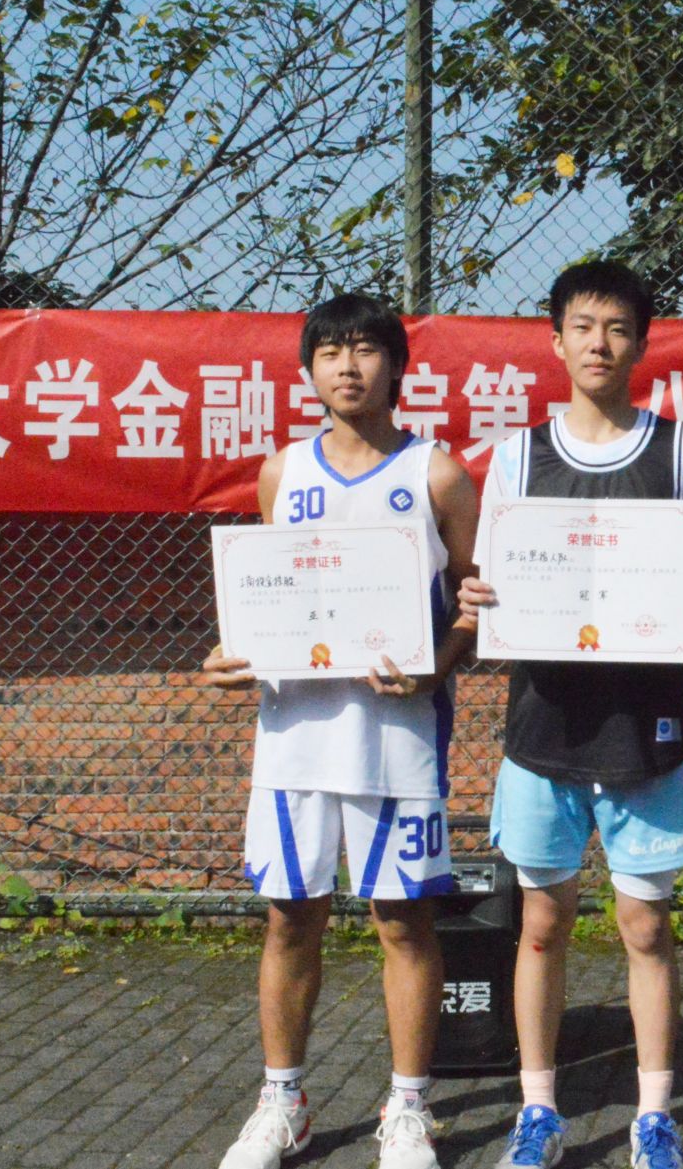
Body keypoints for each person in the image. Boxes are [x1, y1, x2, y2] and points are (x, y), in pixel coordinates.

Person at [459, 261, 683, 1169]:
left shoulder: (682, 450)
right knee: (541, 922)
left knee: (645, 926)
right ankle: (538, 1108)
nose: (599, 342)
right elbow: (494, 576)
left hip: (642, 727)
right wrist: (483, 596)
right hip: (545, 726)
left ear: (643, 343)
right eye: (583, 325)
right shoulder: (517, 455)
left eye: (617, 327)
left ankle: (654, 1115)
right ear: (556, 340)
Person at [201, 293, 480, 1169]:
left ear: (397, 366)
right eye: (330, 352)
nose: (348, 366)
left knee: (403, 921)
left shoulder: (437, 474)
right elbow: (272, 596)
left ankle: (409, 1109)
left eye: (365, 350)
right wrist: (234, 652)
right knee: (290, 918)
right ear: (309, 369)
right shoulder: (283, 472)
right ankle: (283, 1102)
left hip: (397, 739)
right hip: (295, 739)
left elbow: (476, 606)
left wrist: (436, 666)